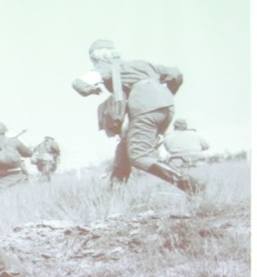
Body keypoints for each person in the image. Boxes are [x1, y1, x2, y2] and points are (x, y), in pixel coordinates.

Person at [72, 39, 201, 193]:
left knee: (139, 156)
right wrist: (166, 94)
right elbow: (176, 74)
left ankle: (189, 185)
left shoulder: (106, 66)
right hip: (166, 106)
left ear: (97, 57)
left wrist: (91, 90)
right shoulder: (141, 64)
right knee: (124, 151)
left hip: (143, 106)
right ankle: (114, 197)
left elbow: (79, 83)